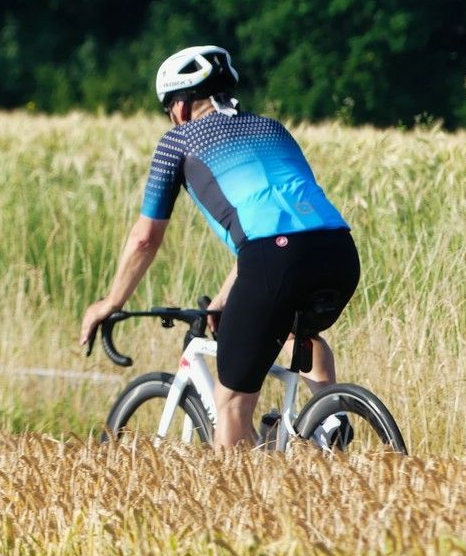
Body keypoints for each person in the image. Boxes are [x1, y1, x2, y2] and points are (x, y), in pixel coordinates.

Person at [79, 45, 360, 450]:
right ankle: (328, 422)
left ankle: (239, 507)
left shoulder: (177, 142)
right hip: (338, 251)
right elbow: (278, 226)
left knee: (231, 403)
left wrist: (110, 301)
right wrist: (227, 299)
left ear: (179, 105)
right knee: (299, 334)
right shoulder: (272, 128)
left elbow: (145, 237)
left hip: (274, 257)